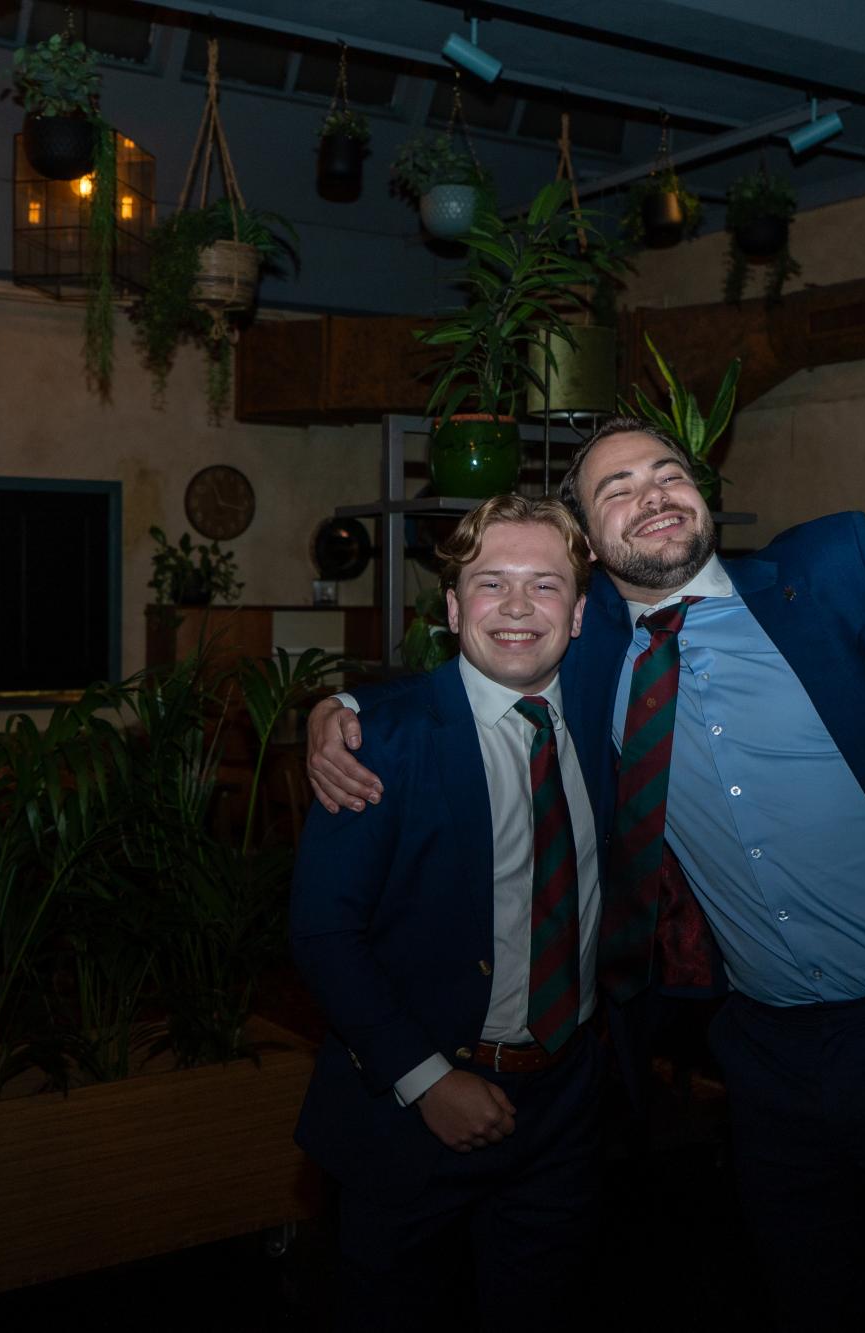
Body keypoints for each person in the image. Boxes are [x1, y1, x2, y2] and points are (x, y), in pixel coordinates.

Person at [308, 417, 865, 1331]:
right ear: (589, 545)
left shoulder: (834, 573)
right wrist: (340, 708)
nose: (650, 494)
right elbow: (475, 664)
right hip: (767, 1061)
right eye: (615, 489)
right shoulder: (589, 643)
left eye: (665, 472)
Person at [292, 495, 617, 1331]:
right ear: (451, 606)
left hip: (567, 1105)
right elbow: (325, 931)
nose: (517, 607)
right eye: (491, 583)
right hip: (410, 1114)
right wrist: (427, 1079)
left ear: (581, 614)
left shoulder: (605, 717)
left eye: (544, 585)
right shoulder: (379, 739)